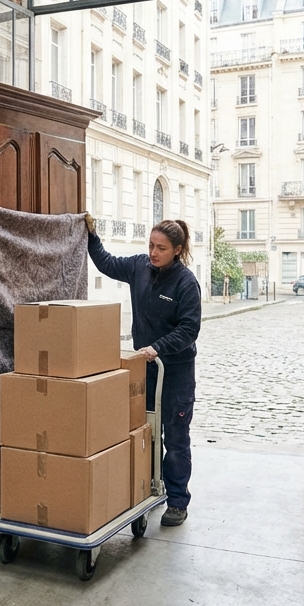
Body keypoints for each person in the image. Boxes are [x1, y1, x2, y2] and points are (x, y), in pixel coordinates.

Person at [84, 216, 202, 526]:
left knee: (175, 439)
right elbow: (107, 264)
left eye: (161, 248)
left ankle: (177, 501)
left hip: (174, 372)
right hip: (145, 370)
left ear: (177, 250)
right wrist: (91, 236)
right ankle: (148, 487)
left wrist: (158, 347)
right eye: (151, 245)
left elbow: (189, 329)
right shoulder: (139, 267)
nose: (153, 252)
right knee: (145, 433)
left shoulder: (186, 282)